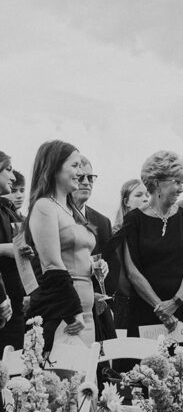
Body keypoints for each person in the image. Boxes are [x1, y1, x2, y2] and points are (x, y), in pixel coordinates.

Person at [25, 141, 95, 352]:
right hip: (66, 313)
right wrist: (73, 311)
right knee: (65, 381)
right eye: (74, 166)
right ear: (54, 168)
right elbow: (52, 264)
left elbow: (74, 253)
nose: (80, 172)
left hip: (87, 312)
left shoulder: (71, 210)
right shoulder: (45, 206)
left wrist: (93, 265)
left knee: (86, 381)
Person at [122, 151, 183, 335]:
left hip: (181, 311)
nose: (181, 189)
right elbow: (132, 272)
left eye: (182, 182)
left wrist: (176, 302)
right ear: (156, 183)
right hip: (145, 311)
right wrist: (160, 308)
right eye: (176, 182)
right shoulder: (133, 220)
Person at [73, 156, 117, 340]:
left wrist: (105, 270)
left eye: (90, 178)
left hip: (98, 310)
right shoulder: (53, 215)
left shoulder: (101, 221)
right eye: (80, 177)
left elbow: (113, 264)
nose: (86, 182)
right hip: (68, 308)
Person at [0, 153, 31, 350]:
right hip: (4, 304)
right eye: (8, 170)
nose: (12, 177)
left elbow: (20, 252)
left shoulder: (8, 211)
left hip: (16, 304)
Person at [110, 179, 150, 330]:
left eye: (147, 194)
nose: (146, 198)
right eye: (139, 195)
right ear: (127, 202)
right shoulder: (118, 232)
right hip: (127, 302)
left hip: (148, 300)